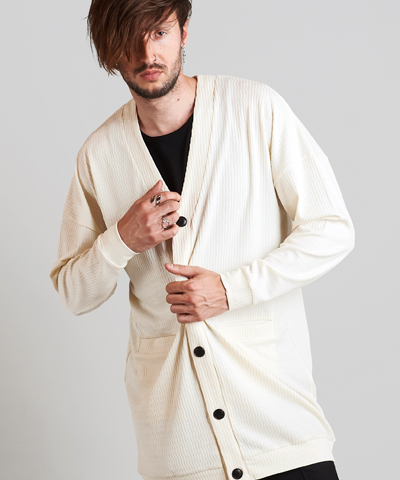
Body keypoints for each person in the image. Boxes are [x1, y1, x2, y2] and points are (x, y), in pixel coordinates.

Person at [49, 1, 355, 479]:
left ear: (184, 31)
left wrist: (232, 290)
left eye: (159, 32)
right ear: (108, 49)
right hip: (179, 452)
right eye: (129, 38)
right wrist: (121, 241)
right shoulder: (99, 155)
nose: (147, 53)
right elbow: (74, 293)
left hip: (281, 433)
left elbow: (331, 228)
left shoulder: (255, 109)